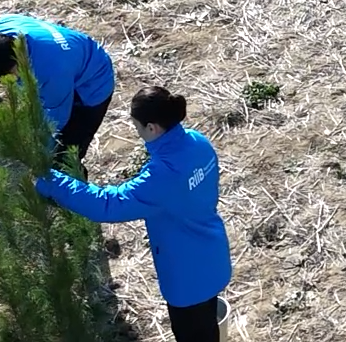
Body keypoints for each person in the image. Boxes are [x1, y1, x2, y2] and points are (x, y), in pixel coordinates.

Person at [34, 87, 233, 342]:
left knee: (191, 333)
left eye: (137, 126)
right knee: (205, 325)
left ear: (152, 128)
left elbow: (107, 204)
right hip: (212, 254)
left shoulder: (162, 176)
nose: (137, 133)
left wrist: (50, 180)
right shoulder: (197, 142)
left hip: (186, 276)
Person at [0, 15, 117, 161]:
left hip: (94, 81)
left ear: (16, 62)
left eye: (7, 77)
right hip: (70, 59)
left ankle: (72, 179)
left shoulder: (53, 72)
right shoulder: (3, 26)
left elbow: (55, 120)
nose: (6, 83)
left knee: (68, 154)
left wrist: (41, 154)